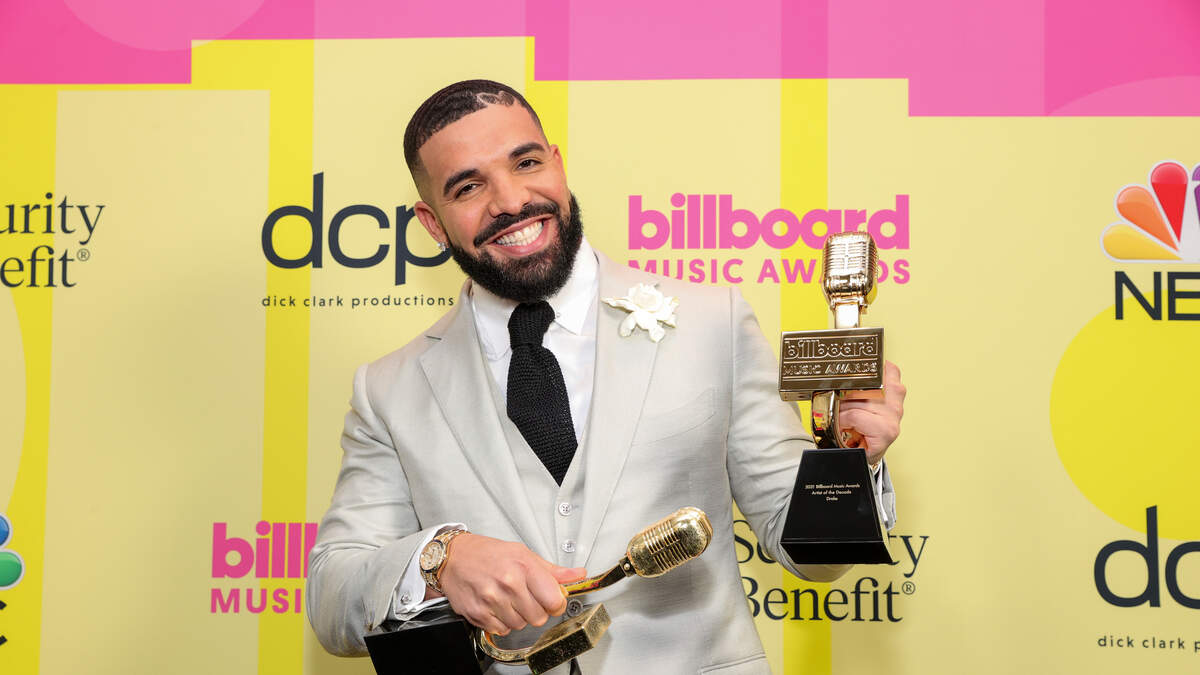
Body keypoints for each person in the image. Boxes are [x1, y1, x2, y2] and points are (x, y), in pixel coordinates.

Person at [306, 79, 906, 674]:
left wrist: (849, 459)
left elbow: (811, 553)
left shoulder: (712, 322)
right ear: (433, 223)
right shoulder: (389, 390)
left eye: (526, 162)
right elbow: (334, 600)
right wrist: (441, 559)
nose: (511, 201)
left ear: (557, 163)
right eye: (468, 186)